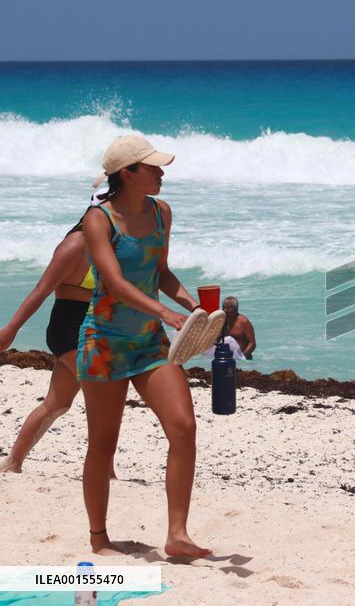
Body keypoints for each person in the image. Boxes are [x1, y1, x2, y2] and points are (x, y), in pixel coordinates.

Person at [78, 135, 210, 558]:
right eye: (152, 167)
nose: (161, 172)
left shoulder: (160, 212)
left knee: (184, 428)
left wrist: (192, 308)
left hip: (149, 343)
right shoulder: (99, 219)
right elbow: (114, 282)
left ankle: (177, 535)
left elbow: (162, 272)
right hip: (104, 342)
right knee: (103, 444)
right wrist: (166, 314)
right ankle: (99, 538)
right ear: (128, 174)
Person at [0, 213, 115, 478]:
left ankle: (13, 462)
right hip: (69, 330)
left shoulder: (107, 244)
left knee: (57, 404)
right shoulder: (74, 247)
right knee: (103, 397)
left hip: (95, 328)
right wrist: (11, 329)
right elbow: (40, 290)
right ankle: (105, 471)